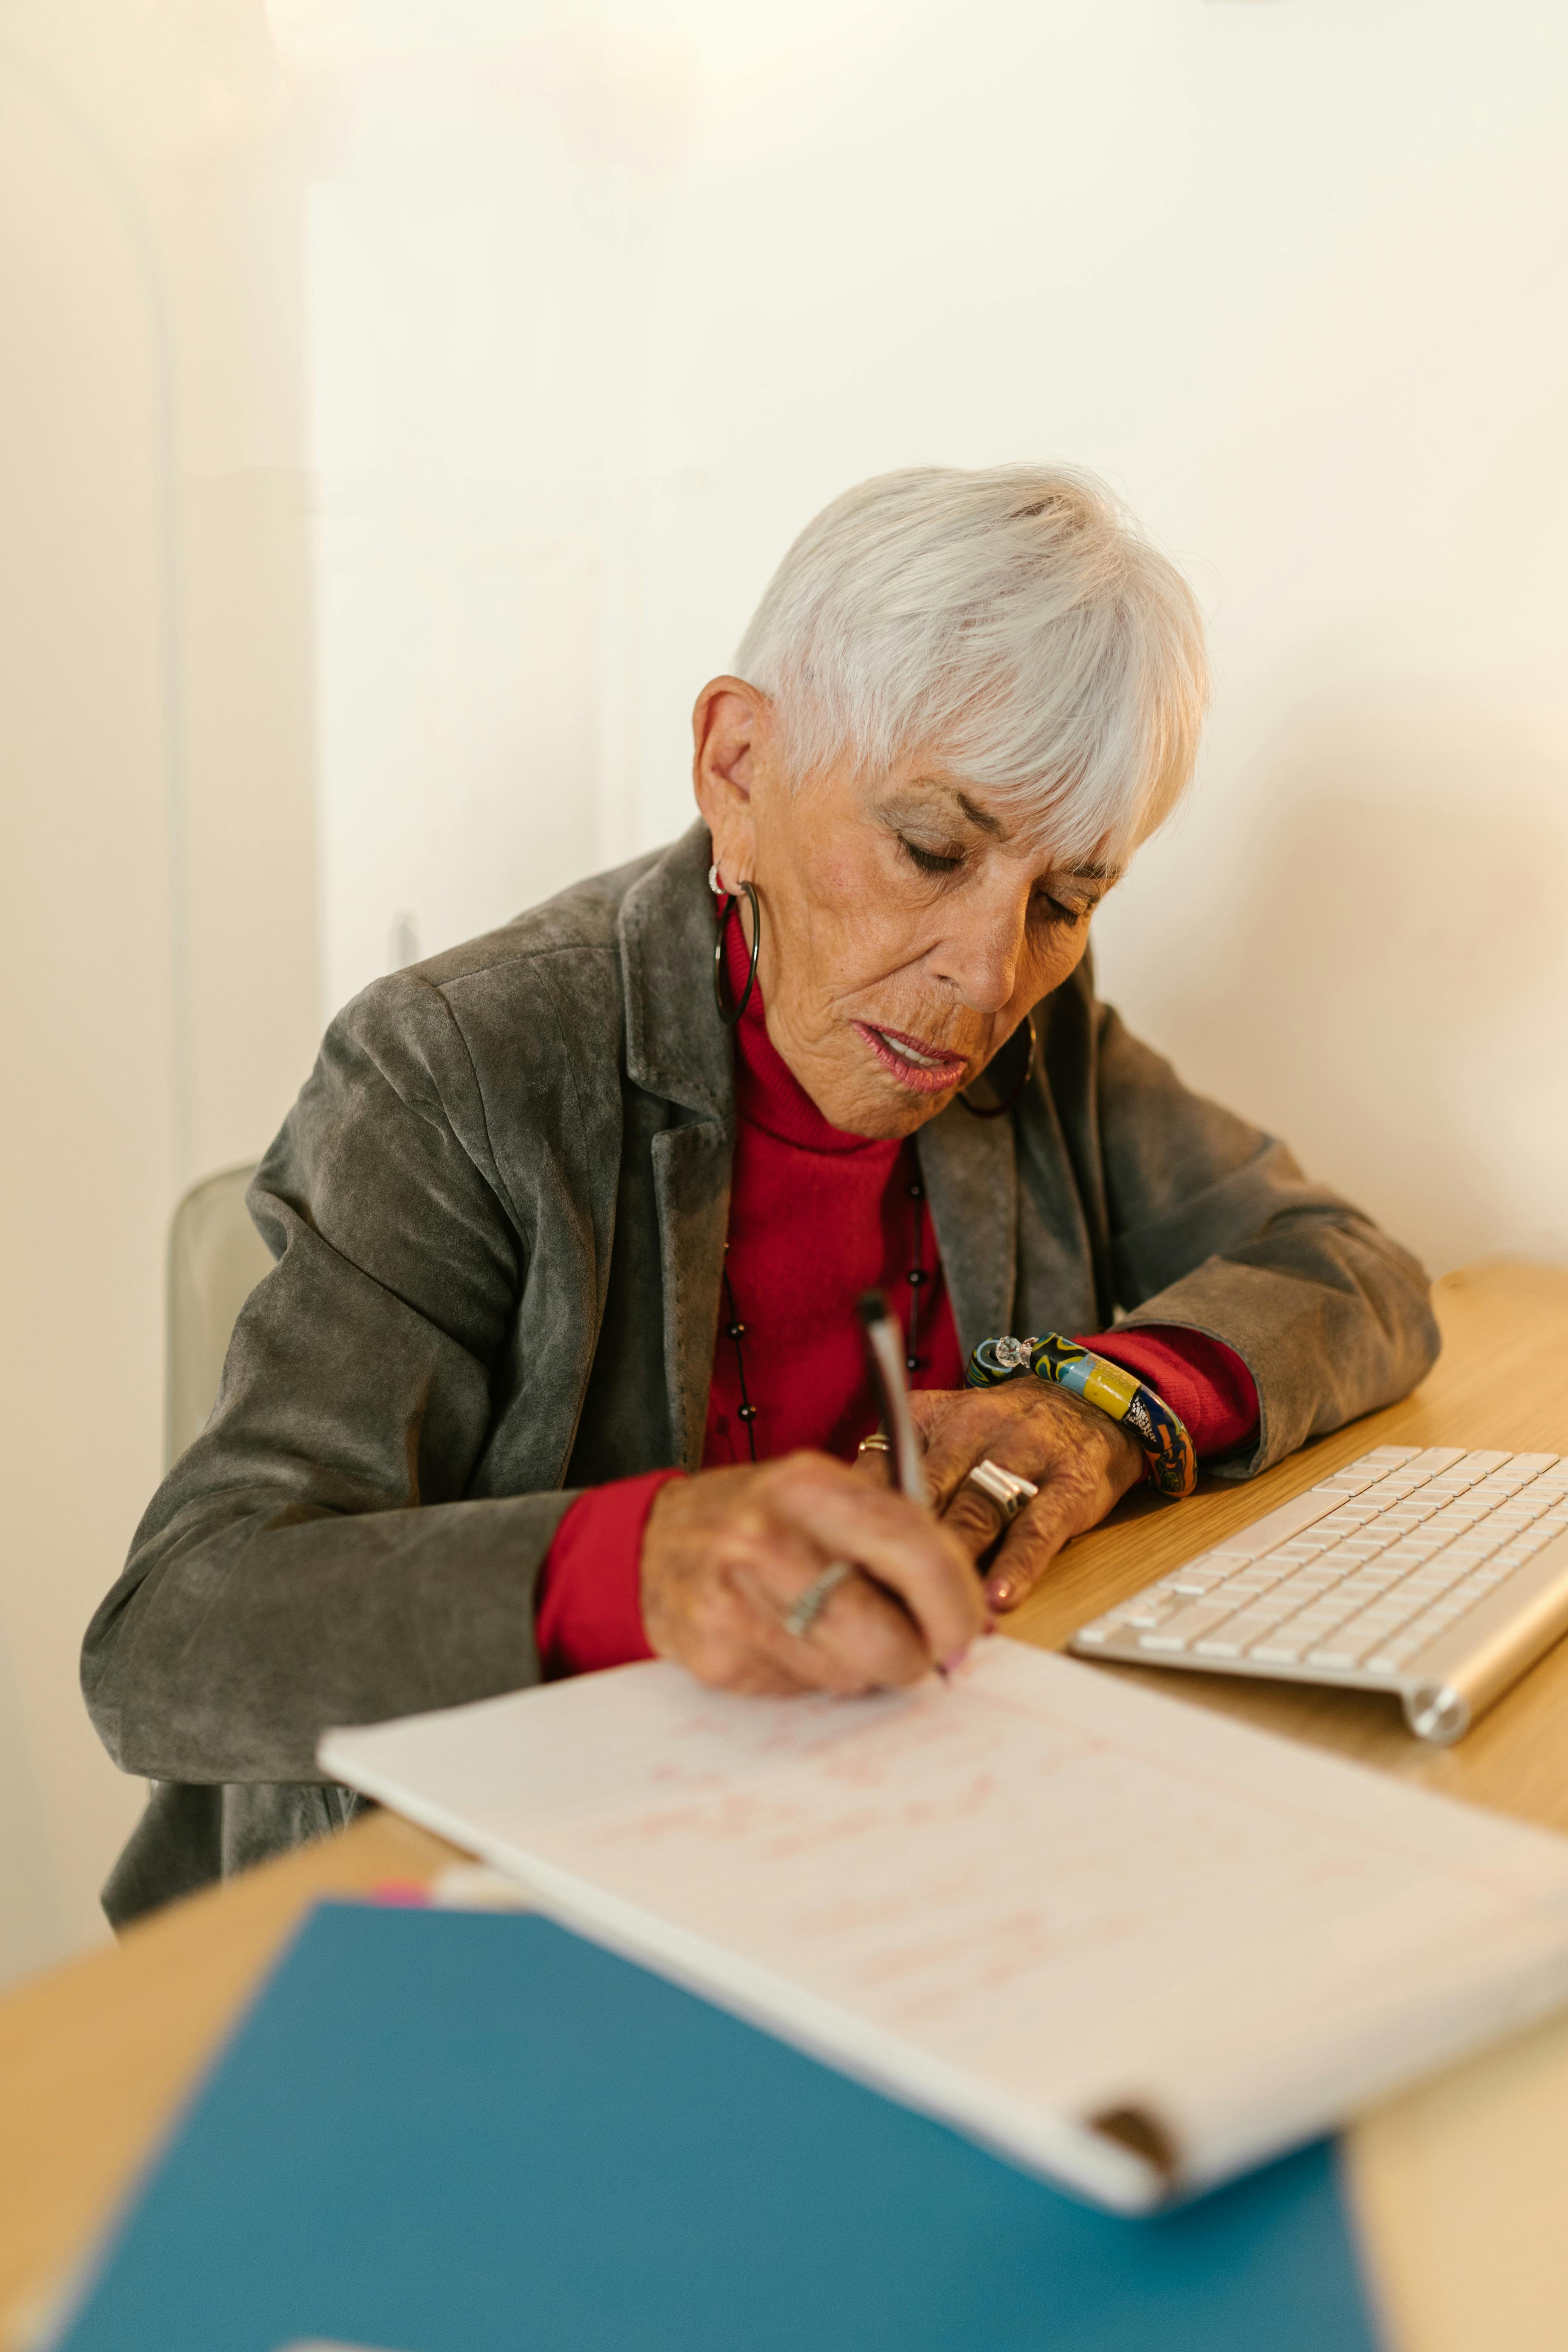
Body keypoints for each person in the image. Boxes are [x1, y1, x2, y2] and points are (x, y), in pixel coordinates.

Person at [84, 464, 1439, 1922]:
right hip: (467, 1918)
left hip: (888, 1869)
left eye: (1069, 896)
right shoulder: (459, 1065)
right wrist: (648, 1562)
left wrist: (1097, 1405)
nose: (987, 977)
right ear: (738, 768)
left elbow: (1348, 1268)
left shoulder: (1036, 1030)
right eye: (933, 848)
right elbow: (173, 1636)